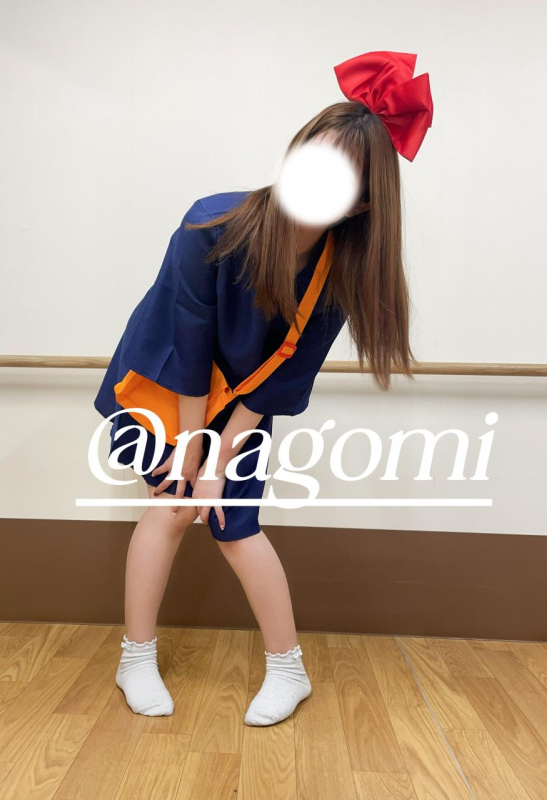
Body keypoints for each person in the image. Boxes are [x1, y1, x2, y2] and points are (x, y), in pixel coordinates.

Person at [93, 51, 433, 726]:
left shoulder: (341, 274)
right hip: (162, 382)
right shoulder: (208, 226)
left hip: (245, 401)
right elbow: (187, 343)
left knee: (232, 519)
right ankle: (136, 657)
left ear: (362, 204)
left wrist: (221, 460)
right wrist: (191, 453)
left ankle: (288, 669)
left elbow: (286, 374)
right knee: (172, 505)